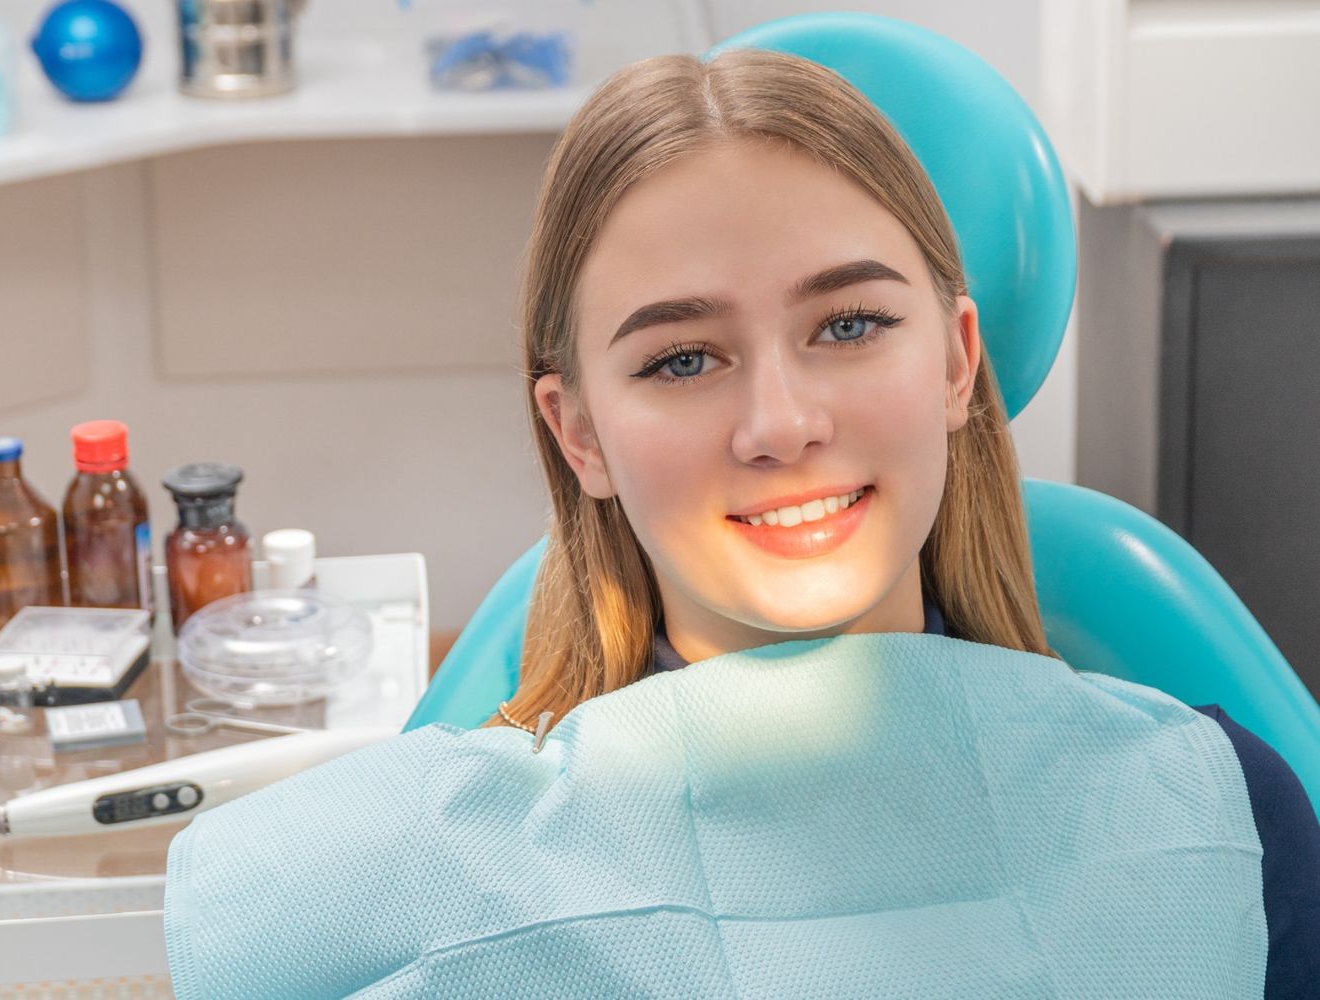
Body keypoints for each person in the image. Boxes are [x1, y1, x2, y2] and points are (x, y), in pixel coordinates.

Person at [164, 47, 1318, 998]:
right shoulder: (420, 873)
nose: (781, 421)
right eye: (681, 357)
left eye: (851, 325)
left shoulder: (1218, 811)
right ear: (580, 438)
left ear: (960, 360)